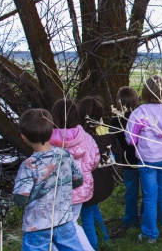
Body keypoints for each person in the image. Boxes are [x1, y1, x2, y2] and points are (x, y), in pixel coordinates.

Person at [13, 108, 84, 251]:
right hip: (64, 219)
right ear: (52, 132)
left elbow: (20, 199)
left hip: (37, 225)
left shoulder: (29, 165)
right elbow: (78, 180)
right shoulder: (64, 155)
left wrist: (38, 194)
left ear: (23, 137)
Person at [125, 75, 162, 243]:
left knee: (149, 195)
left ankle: (150, 233)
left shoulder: (140, 112)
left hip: (147, 159)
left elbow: (130, 139)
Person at [49, 99, 100, 251]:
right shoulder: (86, 137)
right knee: (71, 222)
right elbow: (94, 161)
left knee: (55, 224)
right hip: (80, 189)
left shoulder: (48, 140)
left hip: (57, 191)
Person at [78, 96, 123, 250]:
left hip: (88, 184)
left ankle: (93, 246)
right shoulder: (106, 132)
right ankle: (105, 240)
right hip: (104, 182)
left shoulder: (80, 137)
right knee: (93, 209)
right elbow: (115, 156)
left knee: (87, 217)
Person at [110, 86, 141, 229]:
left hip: (127, 160)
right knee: (148, 191)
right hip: (143, 158)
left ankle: (130, 220)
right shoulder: (139, 117)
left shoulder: (115, 121)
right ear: (136, 101)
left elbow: (114, 142)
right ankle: (146, 216)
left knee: (131, 192)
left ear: (117, 103)